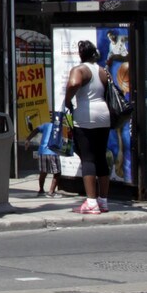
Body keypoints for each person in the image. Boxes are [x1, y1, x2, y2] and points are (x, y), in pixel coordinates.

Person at [63, 39, 114, 214]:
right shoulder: (102, 71)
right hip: (104, 115)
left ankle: (91, 202)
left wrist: (68, 99)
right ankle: (103, 201)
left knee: (88, 158)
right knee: (100, 157)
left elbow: (74, 83)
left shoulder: (80, 70)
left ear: (81, 55)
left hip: (86, 115)